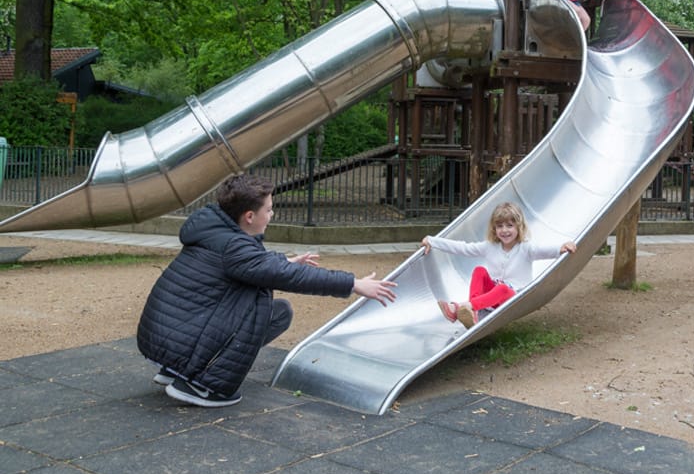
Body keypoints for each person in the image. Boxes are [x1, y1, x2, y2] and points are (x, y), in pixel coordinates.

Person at [136, 174, 397, 408]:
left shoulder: (216, 231)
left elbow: (252, 265)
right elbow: (285, 276)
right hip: (178, 340)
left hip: (161, 336)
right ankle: (200, 384)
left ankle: (177, 369)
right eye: (269, 210)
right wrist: (353, 283)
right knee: (259, 301)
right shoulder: (234, 248)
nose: (272, 215)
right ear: (250, 216)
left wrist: (286, 261)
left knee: (278, 311)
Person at [423, 202, 576, 329]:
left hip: (513, 299)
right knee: (479, 270)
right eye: (500, 226)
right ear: (494, 229)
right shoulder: (490, 247)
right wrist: (432, 241)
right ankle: (472, 312)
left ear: (519, 227)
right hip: (490, 300)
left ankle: (460, 307)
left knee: (502, 289)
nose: (504, 230)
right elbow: (463, 248)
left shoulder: (526, 248)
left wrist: (562, 247)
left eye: (509, 225)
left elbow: (546, 251)